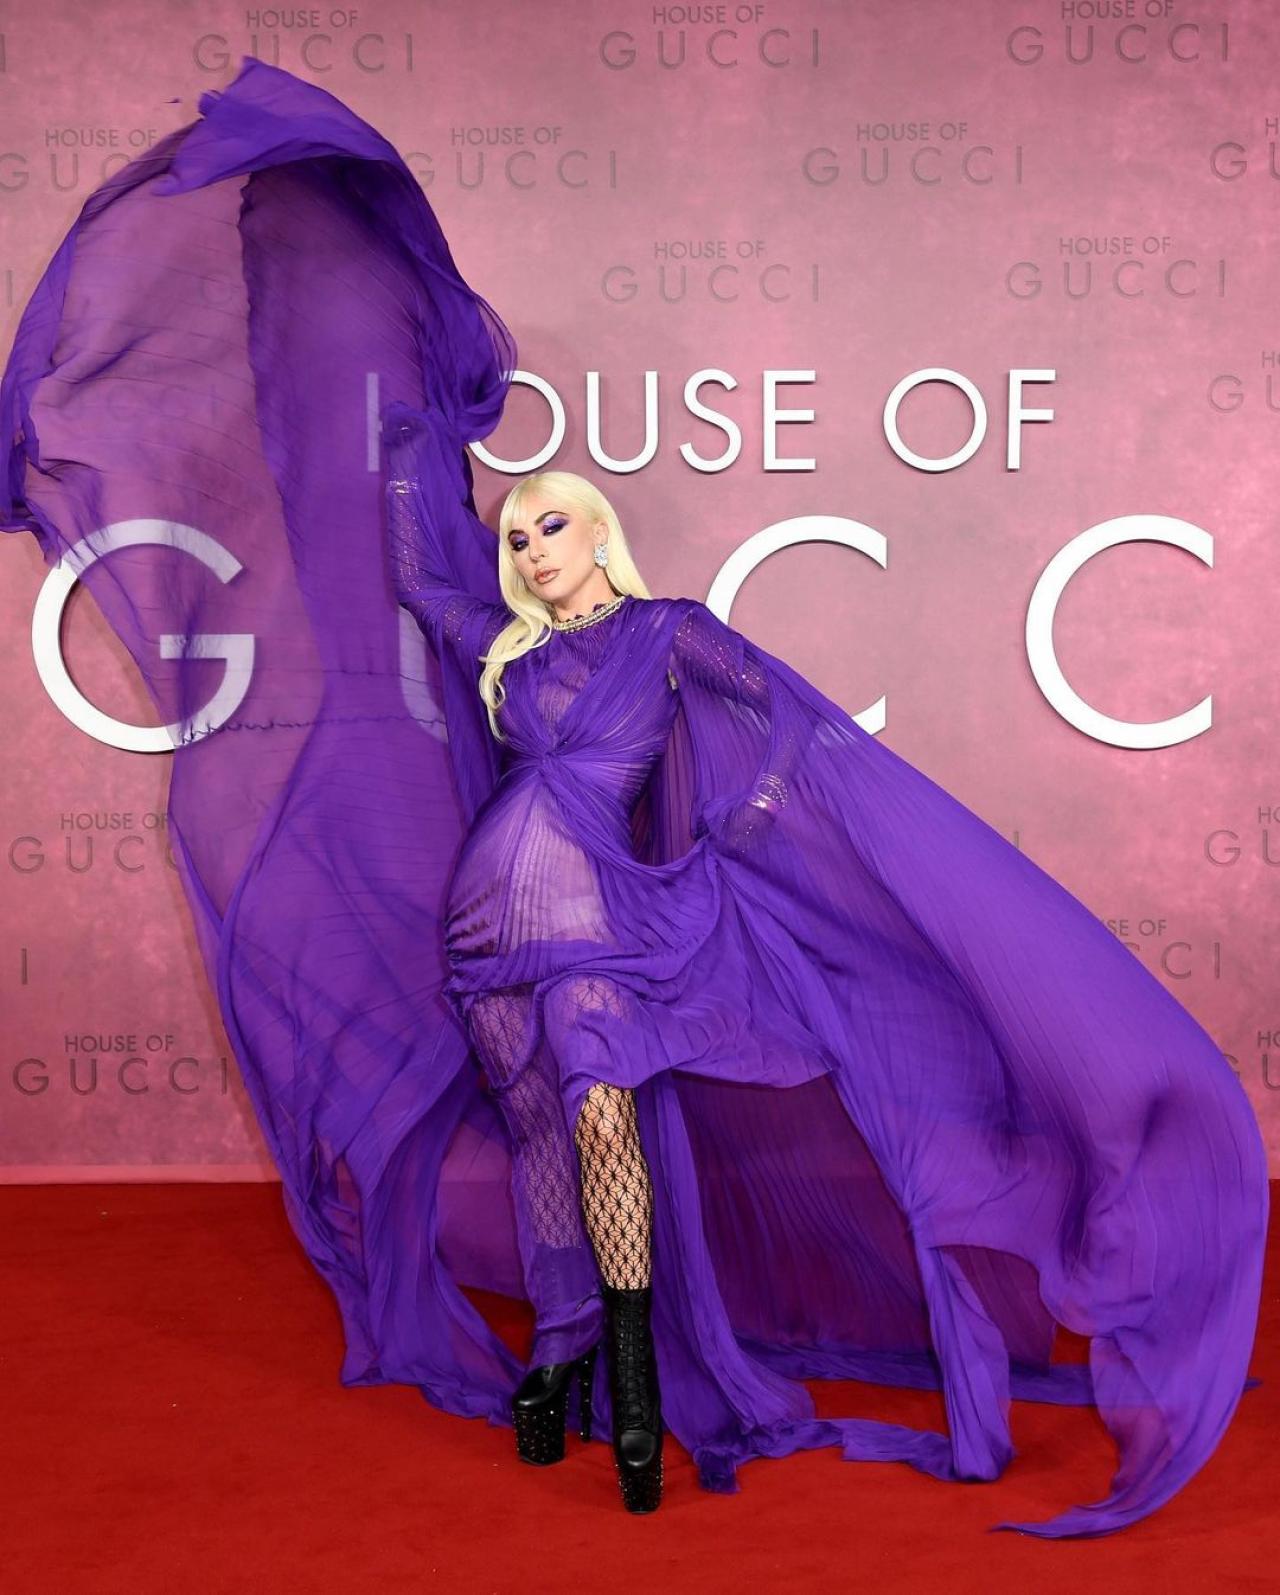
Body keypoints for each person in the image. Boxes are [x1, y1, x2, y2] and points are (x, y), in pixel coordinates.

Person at [0, 56, 1267, 1537]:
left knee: (604, 1127)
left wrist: (747, 849)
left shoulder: (669, 634)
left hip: (606, 920)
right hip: (486, 927)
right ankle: (559, 1363)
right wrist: (408, 433)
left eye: (551, 528)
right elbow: (417, 574)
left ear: (598, 535)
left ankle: (639, 1386)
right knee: (547, 1135)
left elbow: (787, 736)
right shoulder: (506, 655)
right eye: (519, 535)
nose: (531, 549)